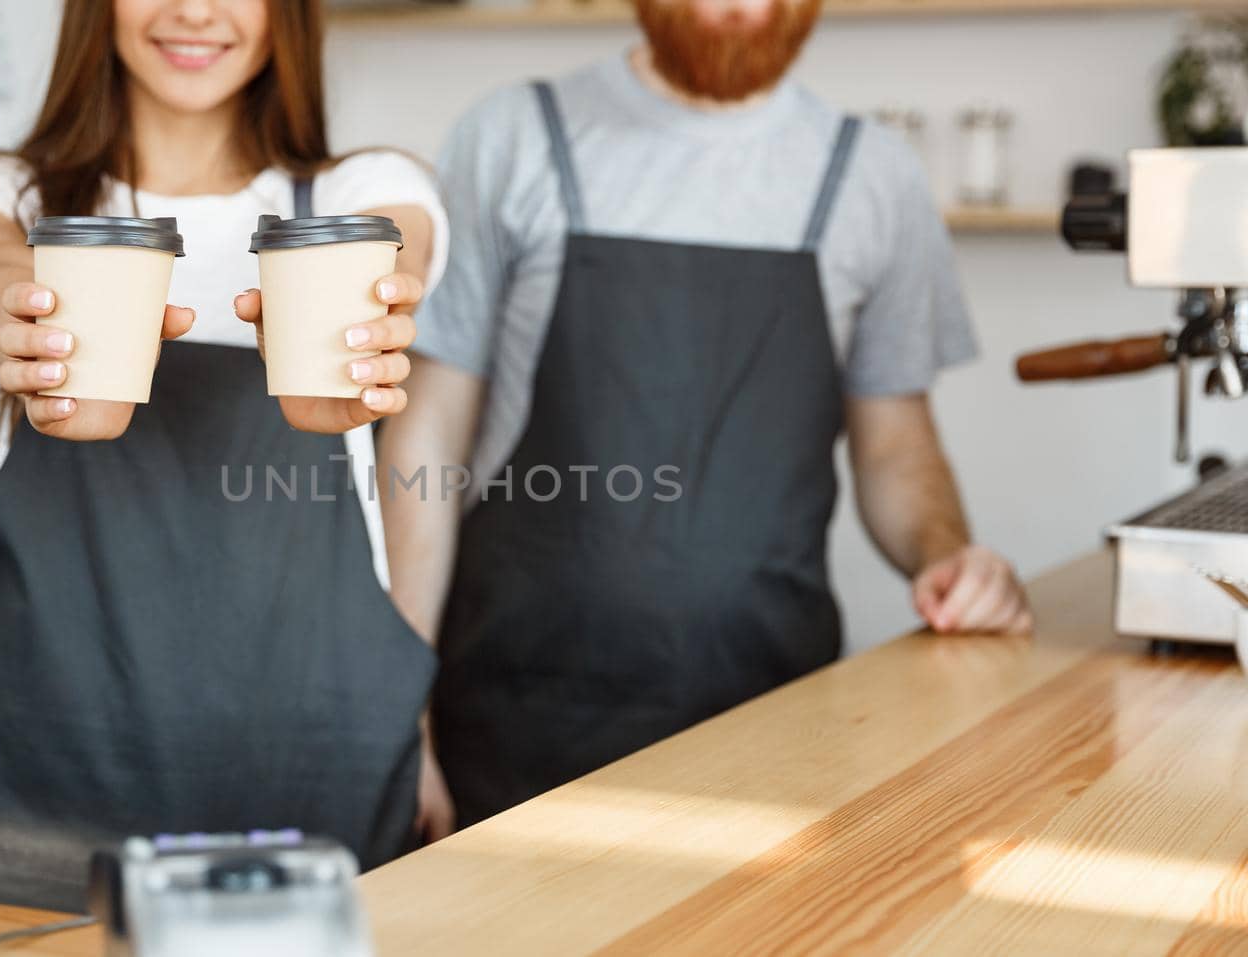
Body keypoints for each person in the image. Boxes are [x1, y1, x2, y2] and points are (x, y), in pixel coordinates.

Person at [379, 0, 1035, 829]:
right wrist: (399, 712)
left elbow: (896, 446)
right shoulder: (514, 137)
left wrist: (949, 558)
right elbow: (426, 443)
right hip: (510, 728)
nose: (742, 10)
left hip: (775, 727)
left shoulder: (871, 173)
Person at [0, 0, 452, 910]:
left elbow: (396, 255)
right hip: (42, 796)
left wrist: (365, 320)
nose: (196, 9)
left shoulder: (357, 196)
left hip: (322, 781)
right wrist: (29, 321)